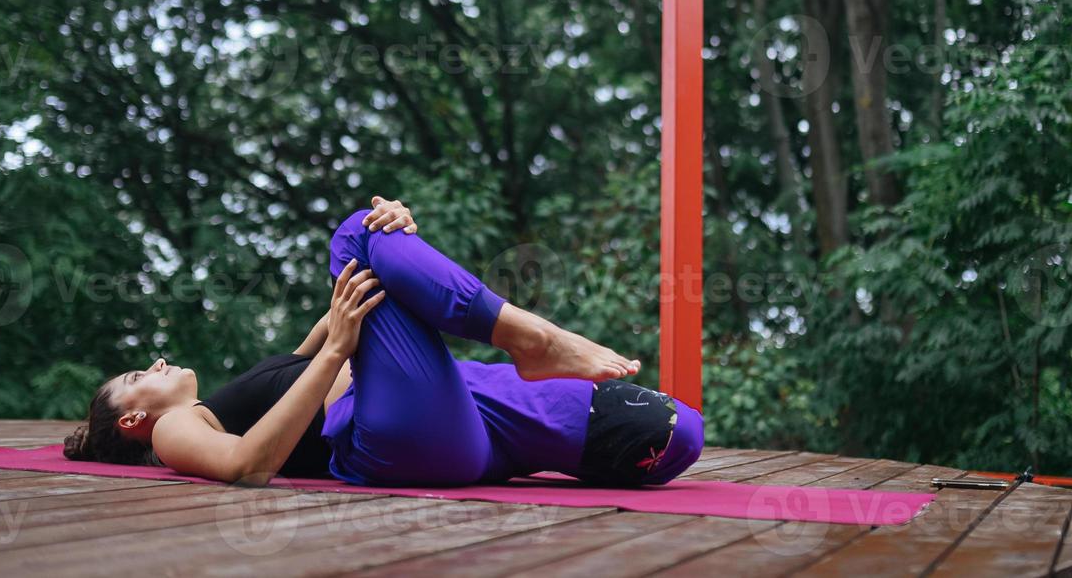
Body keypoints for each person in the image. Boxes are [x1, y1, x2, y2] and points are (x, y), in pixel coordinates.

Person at [62, 197, 704, 488]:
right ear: (134, 418)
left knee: (368, 234)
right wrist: (338, 352)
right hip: (388, 442)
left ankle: (526, 339)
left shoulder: (224, 396)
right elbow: (245, 466)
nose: (158, 363)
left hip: (456, 432)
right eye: (138, 375)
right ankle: (530, 335)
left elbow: (341, 317)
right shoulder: (174, 432)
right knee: (352, 233)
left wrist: (399, 238)